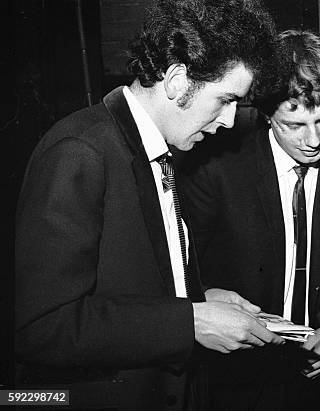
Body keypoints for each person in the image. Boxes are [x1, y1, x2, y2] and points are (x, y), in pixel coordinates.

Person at [14, 1, 284, 410]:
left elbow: (129, 284)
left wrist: (200, 298)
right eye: (225, 99)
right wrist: (189, 322)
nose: (229, 120)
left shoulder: (160, 149)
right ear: (177, 80)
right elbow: (43, 328)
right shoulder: (80, 151)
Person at [179, 30, 320, 410]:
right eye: (295, 125)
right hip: (238, 378)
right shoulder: (216, 170)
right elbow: (187, 275)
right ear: (266, 114)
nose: (314, 140)